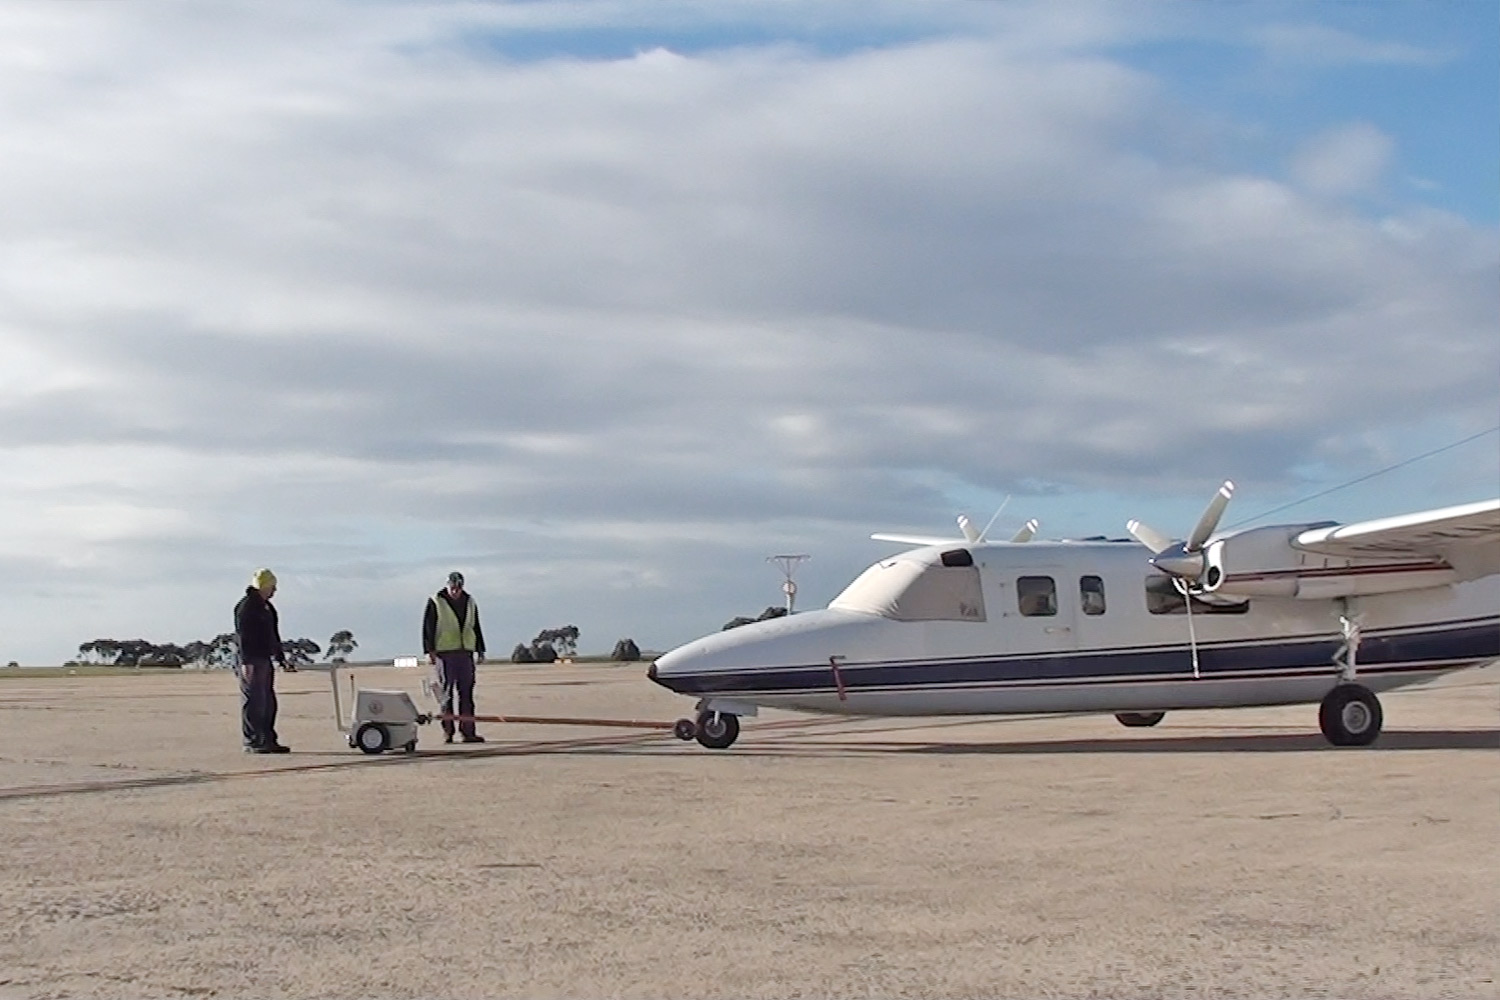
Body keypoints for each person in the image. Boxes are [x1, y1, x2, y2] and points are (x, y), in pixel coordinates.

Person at [423, 571, 487, 744]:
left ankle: (468, 732)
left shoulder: (470, 602)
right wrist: (430, 651)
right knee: (447, 694)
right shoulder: (436, 601)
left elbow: (475, 625)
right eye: (453, 587)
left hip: (465, 652)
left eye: (458, 588)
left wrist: (480, 649)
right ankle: (448, 731)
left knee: (466, 694)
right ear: (447, 585)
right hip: (445, 654)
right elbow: (428, 627)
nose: (455, 591)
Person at [235, 568, 290, 753]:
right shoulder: (246, 607)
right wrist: (245, 662)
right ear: (263, 586)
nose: (274, 591)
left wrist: (281, 658)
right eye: (272, 587)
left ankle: (268, 738)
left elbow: (273, 635)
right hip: (250, 660)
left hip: (265, 659)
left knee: (268, 701)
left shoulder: (268, 608)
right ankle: (252, 741)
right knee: (253, 700)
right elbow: (243, 636)